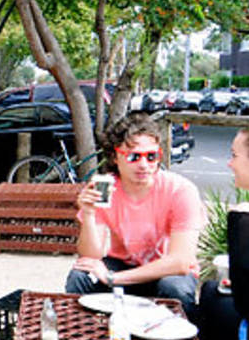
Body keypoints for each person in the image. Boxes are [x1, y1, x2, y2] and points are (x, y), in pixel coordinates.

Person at [64, 112, 204, 320]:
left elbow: (181, 261)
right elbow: (90, 256)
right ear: (115, 156)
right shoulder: (106, 188)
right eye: (133, 156)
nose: (144, 165)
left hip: (165, 268)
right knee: (81, 276)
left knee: (174, 286)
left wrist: (113, 278)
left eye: (151, 156)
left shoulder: (180, 190)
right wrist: (89, 213)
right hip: (123, 263)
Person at [199, 128, 249, 340]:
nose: (229, 163)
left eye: (234, 155)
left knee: (212, 297)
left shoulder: (244, 218)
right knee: (211, 290)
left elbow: (244, 303)